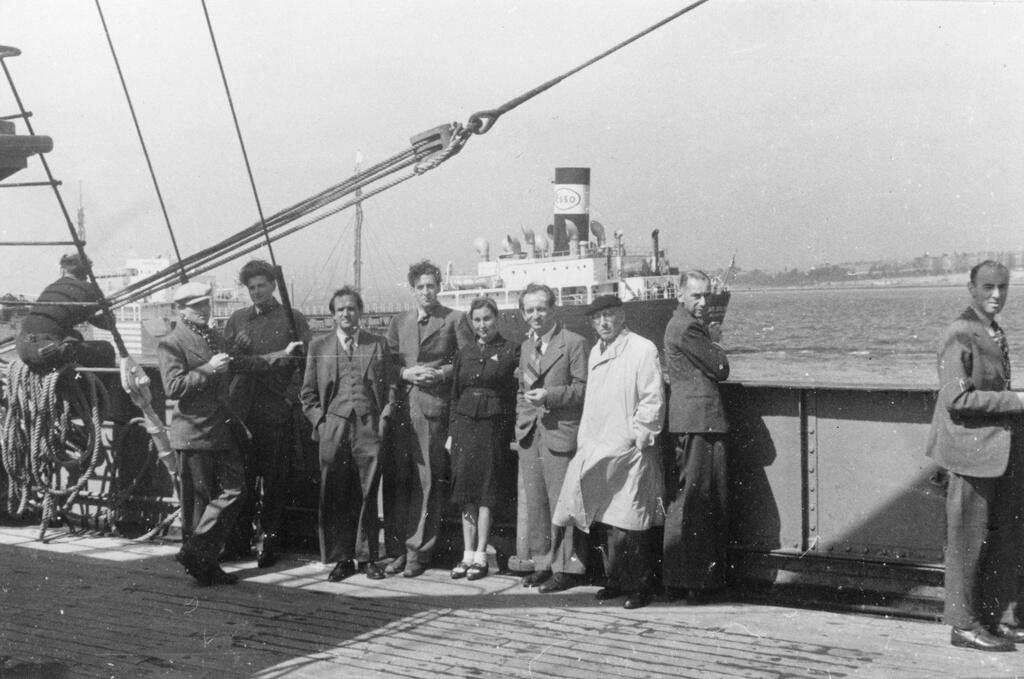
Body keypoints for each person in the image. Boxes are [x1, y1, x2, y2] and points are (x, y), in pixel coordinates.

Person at [925, 260, 1024, 652]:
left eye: (1002, 287)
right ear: (971, 288)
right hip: (969, 454)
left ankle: (997, 618)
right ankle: (964, 625)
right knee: (967, 543)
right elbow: (956, 398)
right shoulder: (959, 333)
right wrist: (1015, 400)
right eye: (987, 287)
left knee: (1000, 539)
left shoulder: (992, 331)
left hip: (994, 454)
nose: (996, 294)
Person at [552, 294, 665, 609]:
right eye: (597, 318)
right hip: (600, 446)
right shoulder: (595, 352)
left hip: (630, 450)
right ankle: (615, 580)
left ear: (622, 316)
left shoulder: (643, 349)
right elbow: (593, 402)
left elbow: (652, 398)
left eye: (610, 316)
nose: (604, 323)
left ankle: (641, 586)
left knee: (634, 521)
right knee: (605, 518)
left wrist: (640, 437)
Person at [383, 260, 474, 577]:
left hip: (433, 409)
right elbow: (387, 364)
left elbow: (468, 361)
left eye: (431, 286)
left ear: (439, 287)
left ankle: (418, 554)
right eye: (420, 287)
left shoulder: (455, 319)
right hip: (401, 412)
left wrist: (440, 373)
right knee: (399, 481)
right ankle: (396, 549)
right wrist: (405, 372)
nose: (426, 291)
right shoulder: (399, 322)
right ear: (412, 290)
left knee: (428, 481)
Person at [301, 287, 397, 582]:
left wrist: (384, 417)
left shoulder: (376, 343)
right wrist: (320, 423)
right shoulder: (319, 346)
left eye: (352, 308)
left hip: (368, 426)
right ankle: (342, 558)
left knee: (368, 492)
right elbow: (307, 394)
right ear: (332, 315)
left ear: (360, 312)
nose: (346, 313)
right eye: (340, 309)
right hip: (334, 427)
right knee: (335, 492)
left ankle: (368, 557)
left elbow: (392, 387)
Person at [223, 260, 311, 568]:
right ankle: (238, 540)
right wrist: (237, 349)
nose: (257, 291)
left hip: (276, 411)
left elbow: (305, 366)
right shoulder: (236, 320)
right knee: (242, 480)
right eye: (252, 287)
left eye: (262, 285)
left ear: (273, 285)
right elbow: (228, 364)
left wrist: (289, 400)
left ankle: (269, 543)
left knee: (274, 482)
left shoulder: (293, 318)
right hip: (243, 412)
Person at [159, 281, 246, 586]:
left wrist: (282, 353)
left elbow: (239, 361)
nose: (203, 311)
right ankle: (204, 566)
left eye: (206, 305)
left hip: (219, 429)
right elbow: (172, 388)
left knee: (234, 490)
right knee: (199, 503)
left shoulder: (214, 337)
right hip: (193, 432)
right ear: (181, 310)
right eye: (197, 307)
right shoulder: (172, 342)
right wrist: (209, 368)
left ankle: (195, 551)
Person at [512, 283, 590, 594]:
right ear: (522, 313)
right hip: (532, 435)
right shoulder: (526, 347)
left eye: (541, 308)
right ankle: (543, 564)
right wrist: (522, 424)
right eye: (529, 310)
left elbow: (584, 389)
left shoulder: (574, 343)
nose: (536, 315)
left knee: (564, 502)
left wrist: (550, 396)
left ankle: (567, 568)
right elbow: (521, 393)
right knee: (537, 503)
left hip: (561, 433)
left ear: (553, 310)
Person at [661, 270, 731, 603]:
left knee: (685, 499)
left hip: (689, 421)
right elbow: (720, 368)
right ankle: (695, 582)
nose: (703, 302)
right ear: (680, 295)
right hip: (699, 422)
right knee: (699, 501)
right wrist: (715, 339)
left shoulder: (678, 324)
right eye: (696, 296)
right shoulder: (688, 327)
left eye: (705, 296)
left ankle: (678, 578)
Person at [447, 297, 519, 581]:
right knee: (466, 491)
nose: (482, 325)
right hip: (465, 427)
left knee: (487, 491)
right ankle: (466, 555)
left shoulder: (511, 350)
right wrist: (452, 433)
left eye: (487, 319)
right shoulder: (463, 353)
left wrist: (509, 430)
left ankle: (481, 555)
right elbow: (455, 395)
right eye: (476, 320)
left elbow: (514, 396)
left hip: (492, 428)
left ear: (496, 318)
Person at [16, 253, 115, 370]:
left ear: (64, 270)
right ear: (87, 272)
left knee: (76, 335)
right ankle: (97, 387)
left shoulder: (52, 286)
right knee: (106, 349)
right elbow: (109, 324)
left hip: (22, 347)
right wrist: (103, 308)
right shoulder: (89, 289)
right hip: (48, 351)